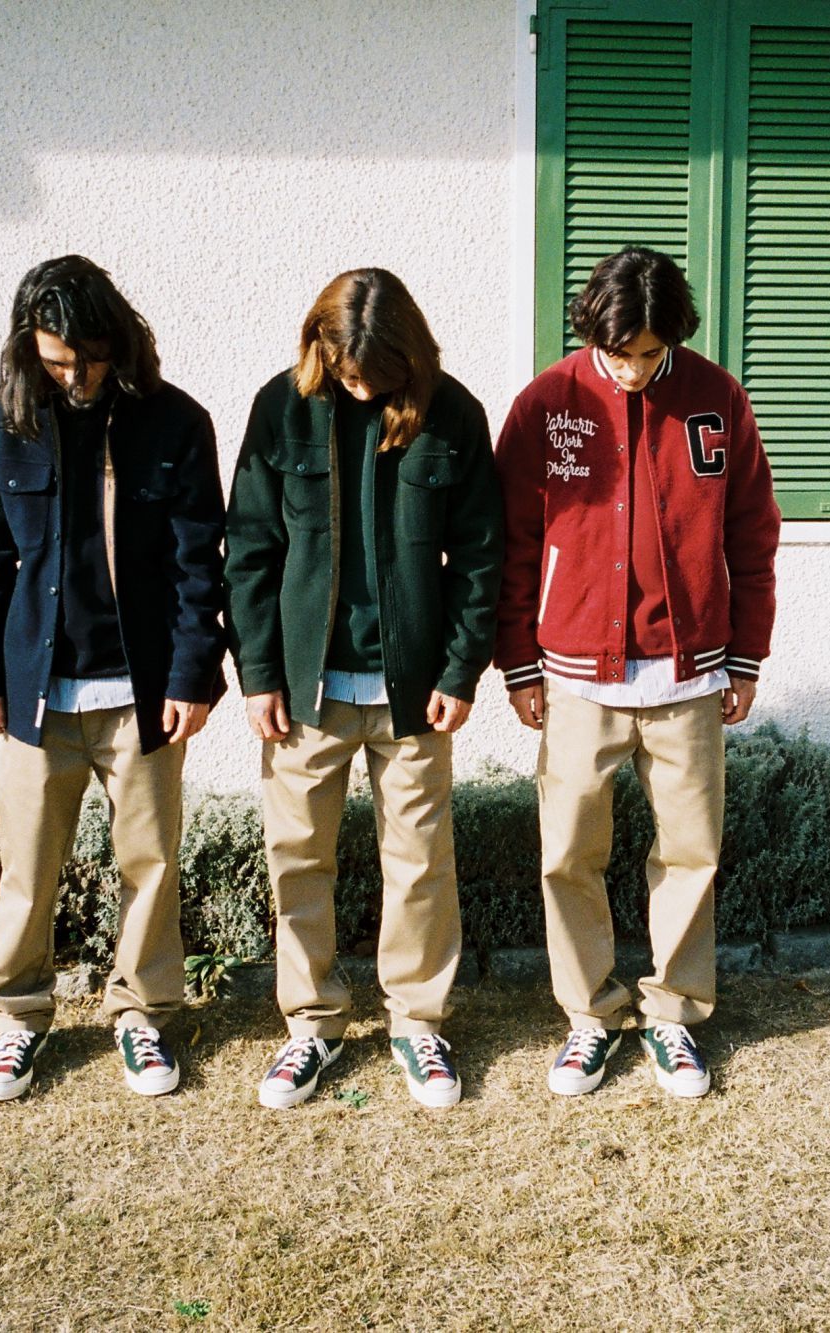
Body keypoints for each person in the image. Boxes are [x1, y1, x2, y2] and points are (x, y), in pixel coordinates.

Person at [493, 246, 781, 1099]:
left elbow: (752, 531)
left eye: (651, 354)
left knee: (690, 852)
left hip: (689, 677)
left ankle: (674, 1015)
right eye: (619, 354)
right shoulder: (548, 404)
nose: (633, 369)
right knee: (567, 853)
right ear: (594, 332)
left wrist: (747, 654)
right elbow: (510, 542)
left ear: (674, 339)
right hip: (576, 676)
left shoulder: (718, 399)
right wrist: (517, 663)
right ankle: (589, 1015)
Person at [225, 269, 503, 1110]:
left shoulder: (453, 413)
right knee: (298, 858)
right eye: (347, 372)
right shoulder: (280, 408)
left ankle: (418, 1024)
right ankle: (311, 1026)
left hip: (413, 691)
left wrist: (460, 670)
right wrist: (258, 674)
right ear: (321, 345)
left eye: (375, 376)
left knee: (419, 864)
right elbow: (249, 549)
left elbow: (481, 556)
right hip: (304, 690)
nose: (359, 388)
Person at [0, 255, 226, 1101]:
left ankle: (142, 1014)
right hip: (36, 690)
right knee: (28, 867)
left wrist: (193, 674)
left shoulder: (175, 422)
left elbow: (198, 564)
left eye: (90, 359)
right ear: (29, 348)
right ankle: (18, 1018)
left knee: (151, 861)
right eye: (57, 361)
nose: (75, 377)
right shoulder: (1, 422)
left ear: (119, 342)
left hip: (142, 694)